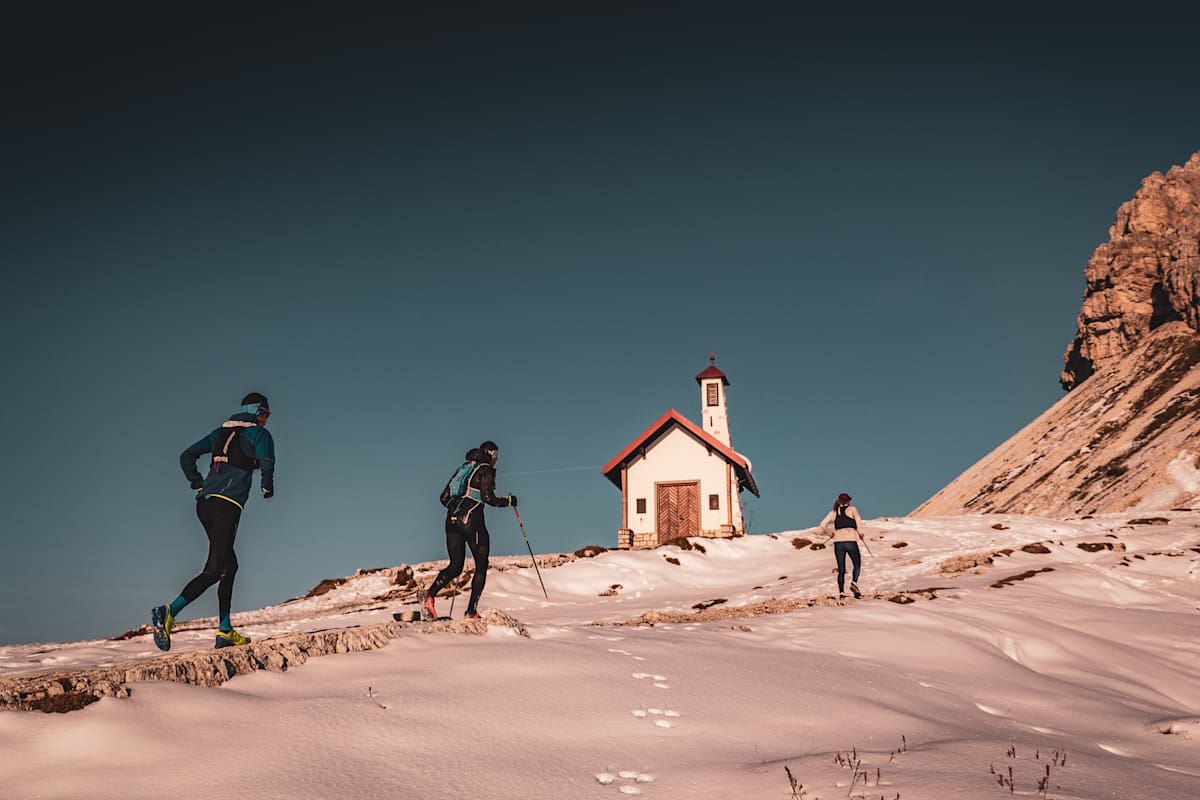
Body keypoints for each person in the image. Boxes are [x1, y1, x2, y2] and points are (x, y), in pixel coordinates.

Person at [150, 392, 276, 650]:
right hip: (226, 506)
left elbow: (186, 456)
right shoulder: (259, 434)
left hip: (205, 504)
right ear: (257, 412)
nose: (266, 420)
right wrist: (267, 485)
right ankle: (168, 612)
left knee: (230, 566)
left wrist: (197, 484)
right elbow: (267, 460)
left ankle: (225, 630)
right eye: (265, 414)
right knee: (214, 570)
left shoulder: (221, 432)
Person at [423, 441, 516, 620]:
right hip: (472, 520)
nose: (496, 461)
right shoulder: (487, 469)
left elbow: (443, 497)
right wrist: (508, 502)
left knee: (455, 566)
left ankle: (430, 594)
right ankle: (471, 612)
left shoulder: (464, 468)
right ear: (492, 455)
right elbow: (488, 497)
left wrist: (456, 507)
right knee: (481, 564)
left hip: (452, 520)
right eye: (496, 457)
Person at [818, 492, 865, 599]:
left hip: (838, 542)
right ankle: (854, 583)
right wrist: (861, 533)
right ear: (848, 501)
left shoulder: (833, 512)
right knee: (857, 564)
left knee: (841, 569)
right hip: (850, 540)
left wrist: (830, 533)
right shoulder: (852, 509)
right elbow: (858, 521)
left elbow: (822, 525)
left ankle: (842, 593)